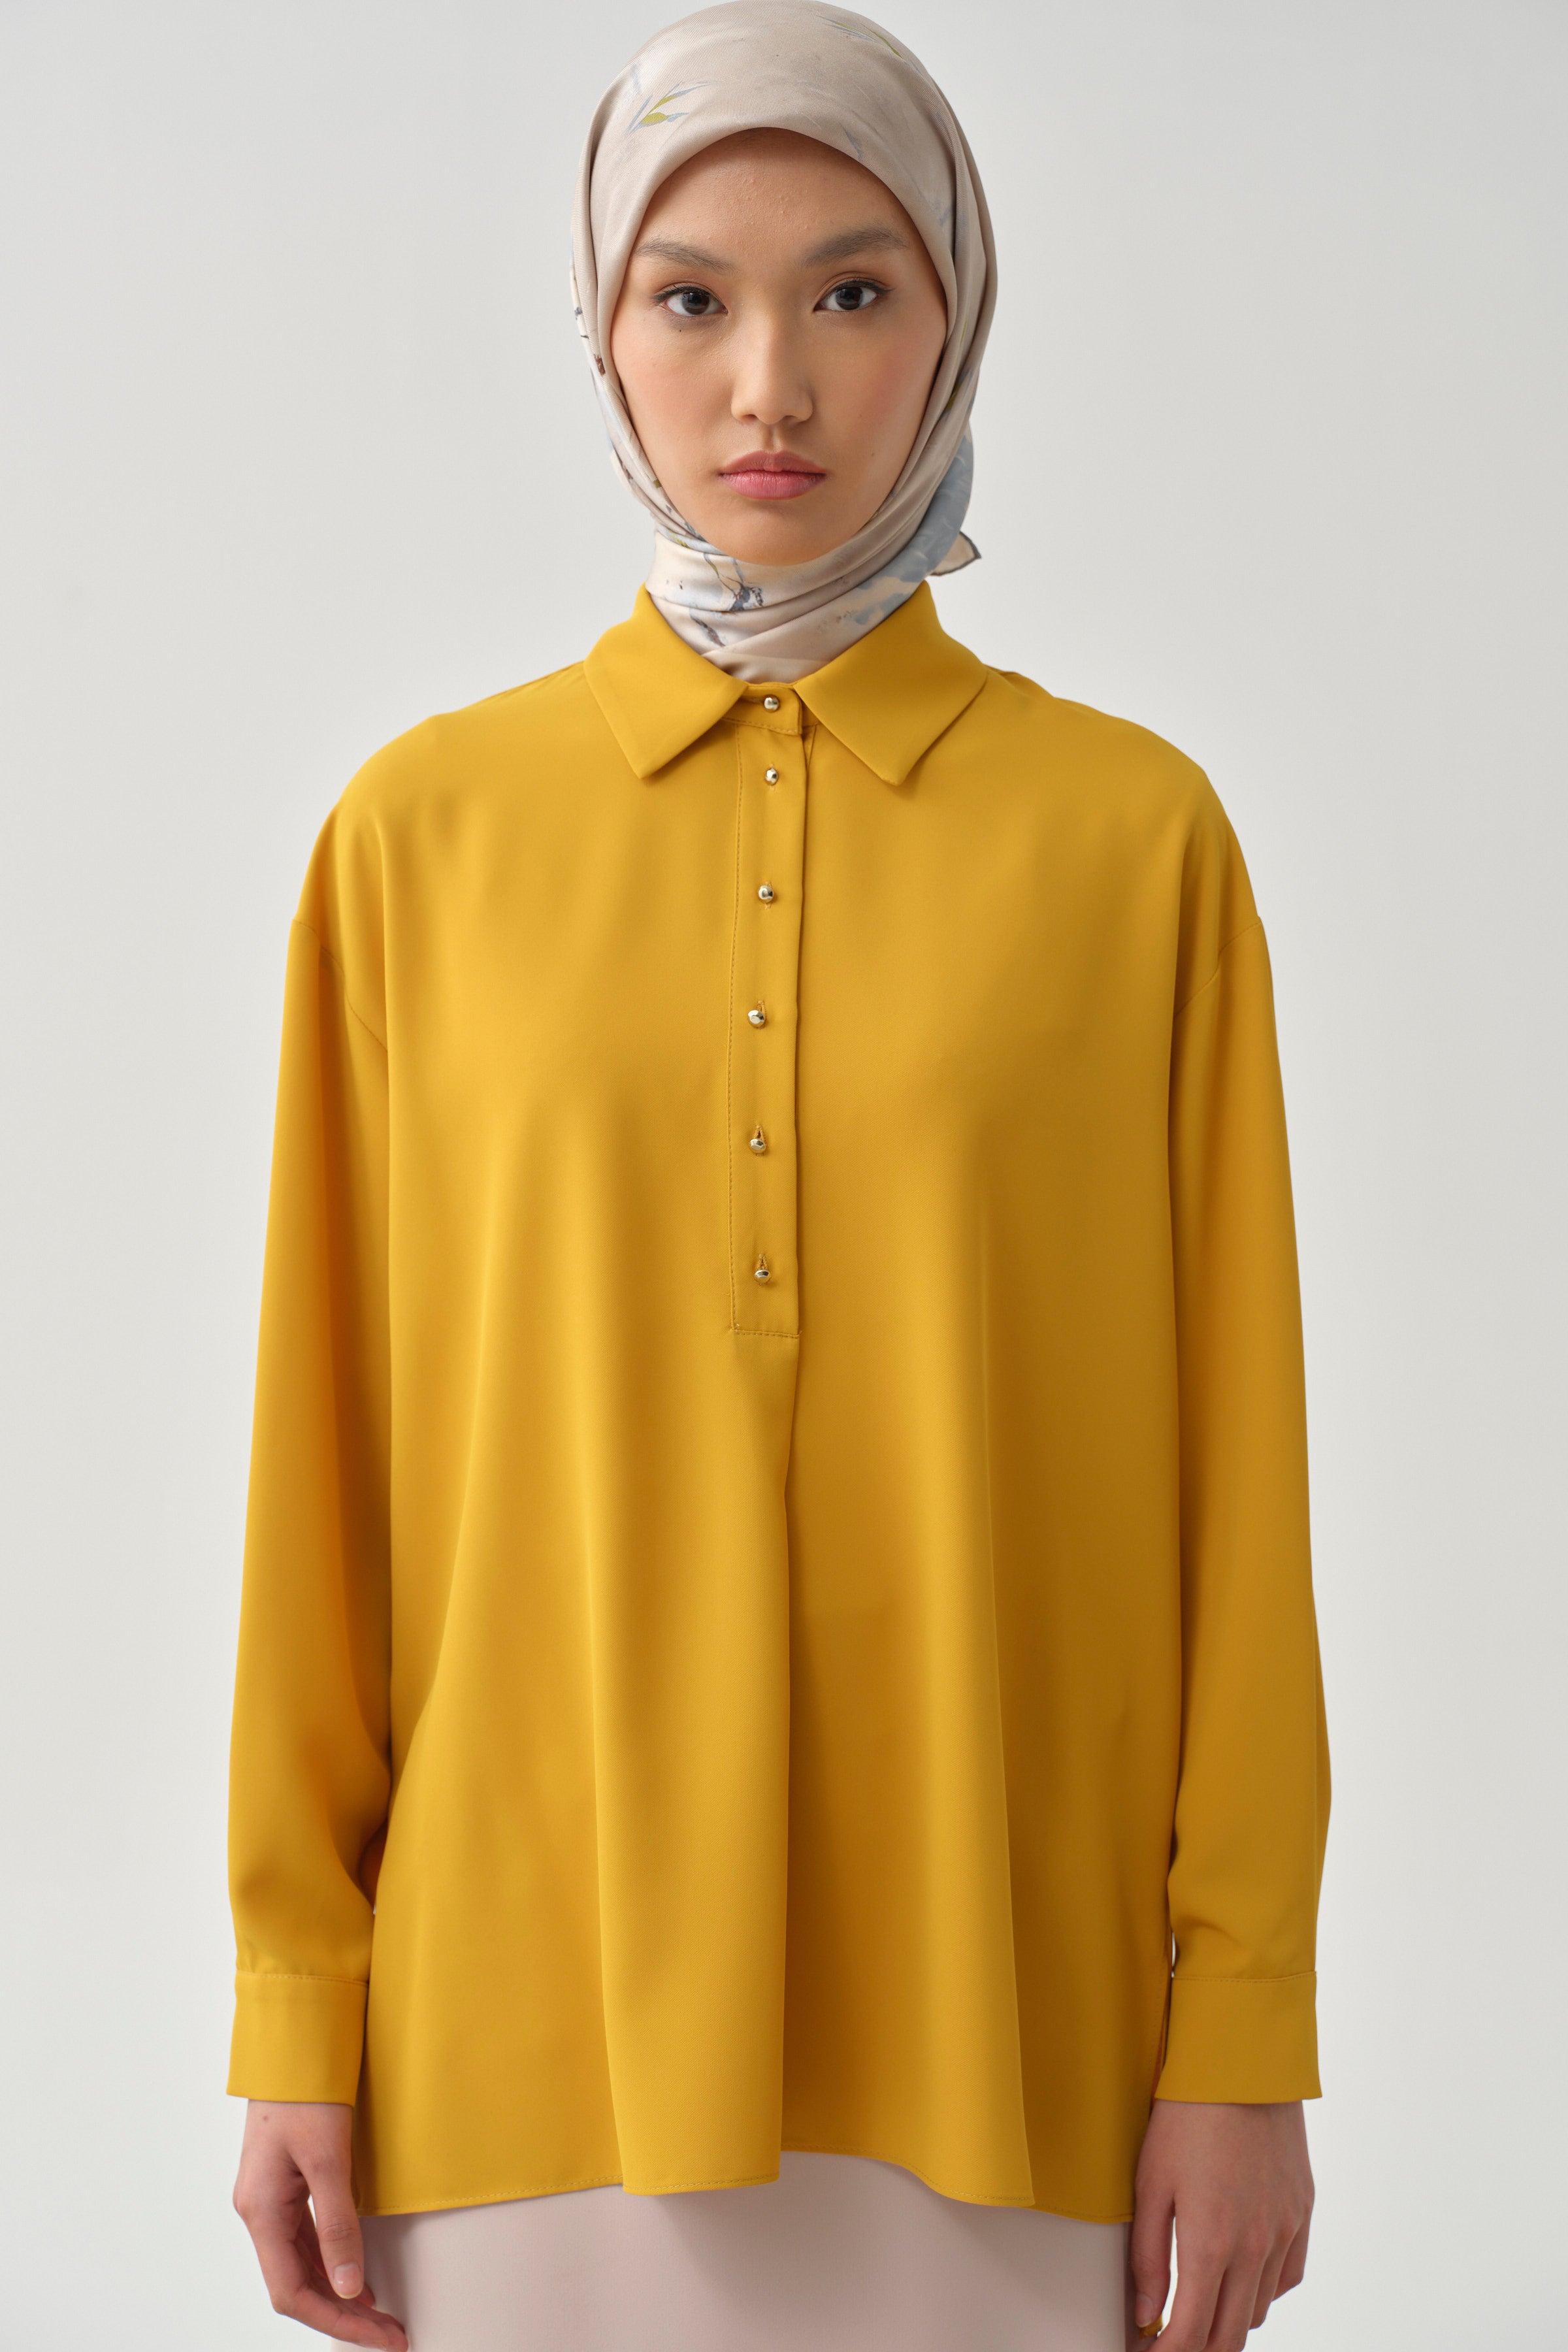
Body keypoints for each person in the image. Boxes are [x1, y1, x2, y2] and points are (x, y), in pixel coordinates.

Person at [225, 5, 1330, 2348]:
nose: (770, 388)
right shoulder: (421, 839)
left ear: (958, 318)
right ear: (601, 330)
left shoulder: (1134, 845)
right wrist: (294, 2006)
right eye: (690, 297)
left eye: (851, 290)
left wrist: (1241, 2033)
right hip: (515, 2049)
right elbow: (325, 1481)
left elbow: (1241, 1494)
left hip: (1009, 2049)